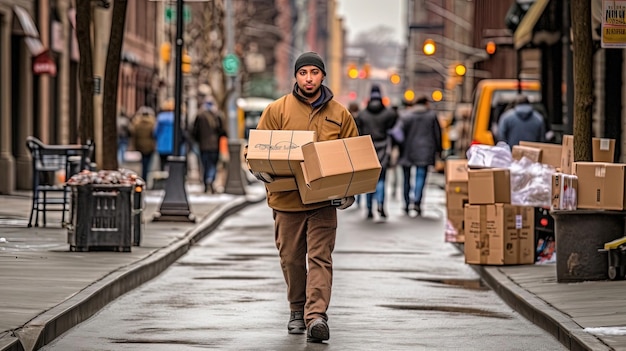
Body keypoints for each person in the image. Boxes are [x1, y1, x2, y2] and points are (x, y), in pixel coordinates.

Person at [245, 52, 358, 343]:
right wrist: (262, 172)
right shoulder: (277, 110)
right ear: (296, 76)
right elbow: (256, 151)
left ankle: (316, 316)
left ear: (323, 76)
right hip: (287, 201)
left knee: (320, 258)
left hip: (323, 202)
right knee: (291, 259)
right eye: (303, 72)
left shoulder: (339, 114)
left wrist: (349, 191)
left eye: (314, 72)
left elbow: (352, 157)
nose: (309, 78)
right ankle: (297, 309)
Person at [356, 85, 398, 220]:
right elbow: (393, 125)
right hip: (383, 147)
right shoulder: (388, 113)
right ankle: (380, 204)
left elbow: (358, 132)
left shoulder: (362, 114)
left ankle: (369, 209)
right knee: (381, 179)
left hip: (367, 148)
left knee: (369, 180)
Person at [398, 95, 442, 216]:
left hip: (407, 150)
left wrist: (399, 147)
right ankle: (417, 201)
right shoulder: (431, 116)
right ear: (426, 103)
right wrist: (439, 150)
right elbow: (437, 134)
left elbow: (398, 133)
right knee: (420, 176)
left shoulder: (406, 115)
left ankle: (406, 203)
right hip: (425, 150)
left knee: (406, 178)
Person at [191, 101, 227, 193]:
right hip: (215, 145)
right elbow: (222, 131)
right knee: (213, 164)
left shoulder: (200, 116)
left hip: (203, 145)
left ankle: (207, 181)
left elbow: (194, 131)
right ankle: (210, 179)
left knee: (205, 164)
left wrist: (197, 141)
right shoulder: (217, 116)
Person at [129, 106, 156, 182]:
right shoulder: (152, 124)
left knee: (143, 162)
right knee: (148, 163)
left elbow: (134, 135)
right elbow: (154, 134)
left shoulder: (137, 124)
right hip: (149, 146)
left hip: (140, 145)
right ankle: (146, 176)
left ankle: (144, 176)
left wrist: (134, 145)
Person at [154, 98, 175, 171]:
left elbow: (156, 132)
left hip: (162, 145)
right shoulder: (176, 118)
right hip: (173, 145)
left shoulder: (160, 118)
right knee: (172, 164)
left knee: (162, 164)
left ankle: (163, 179)